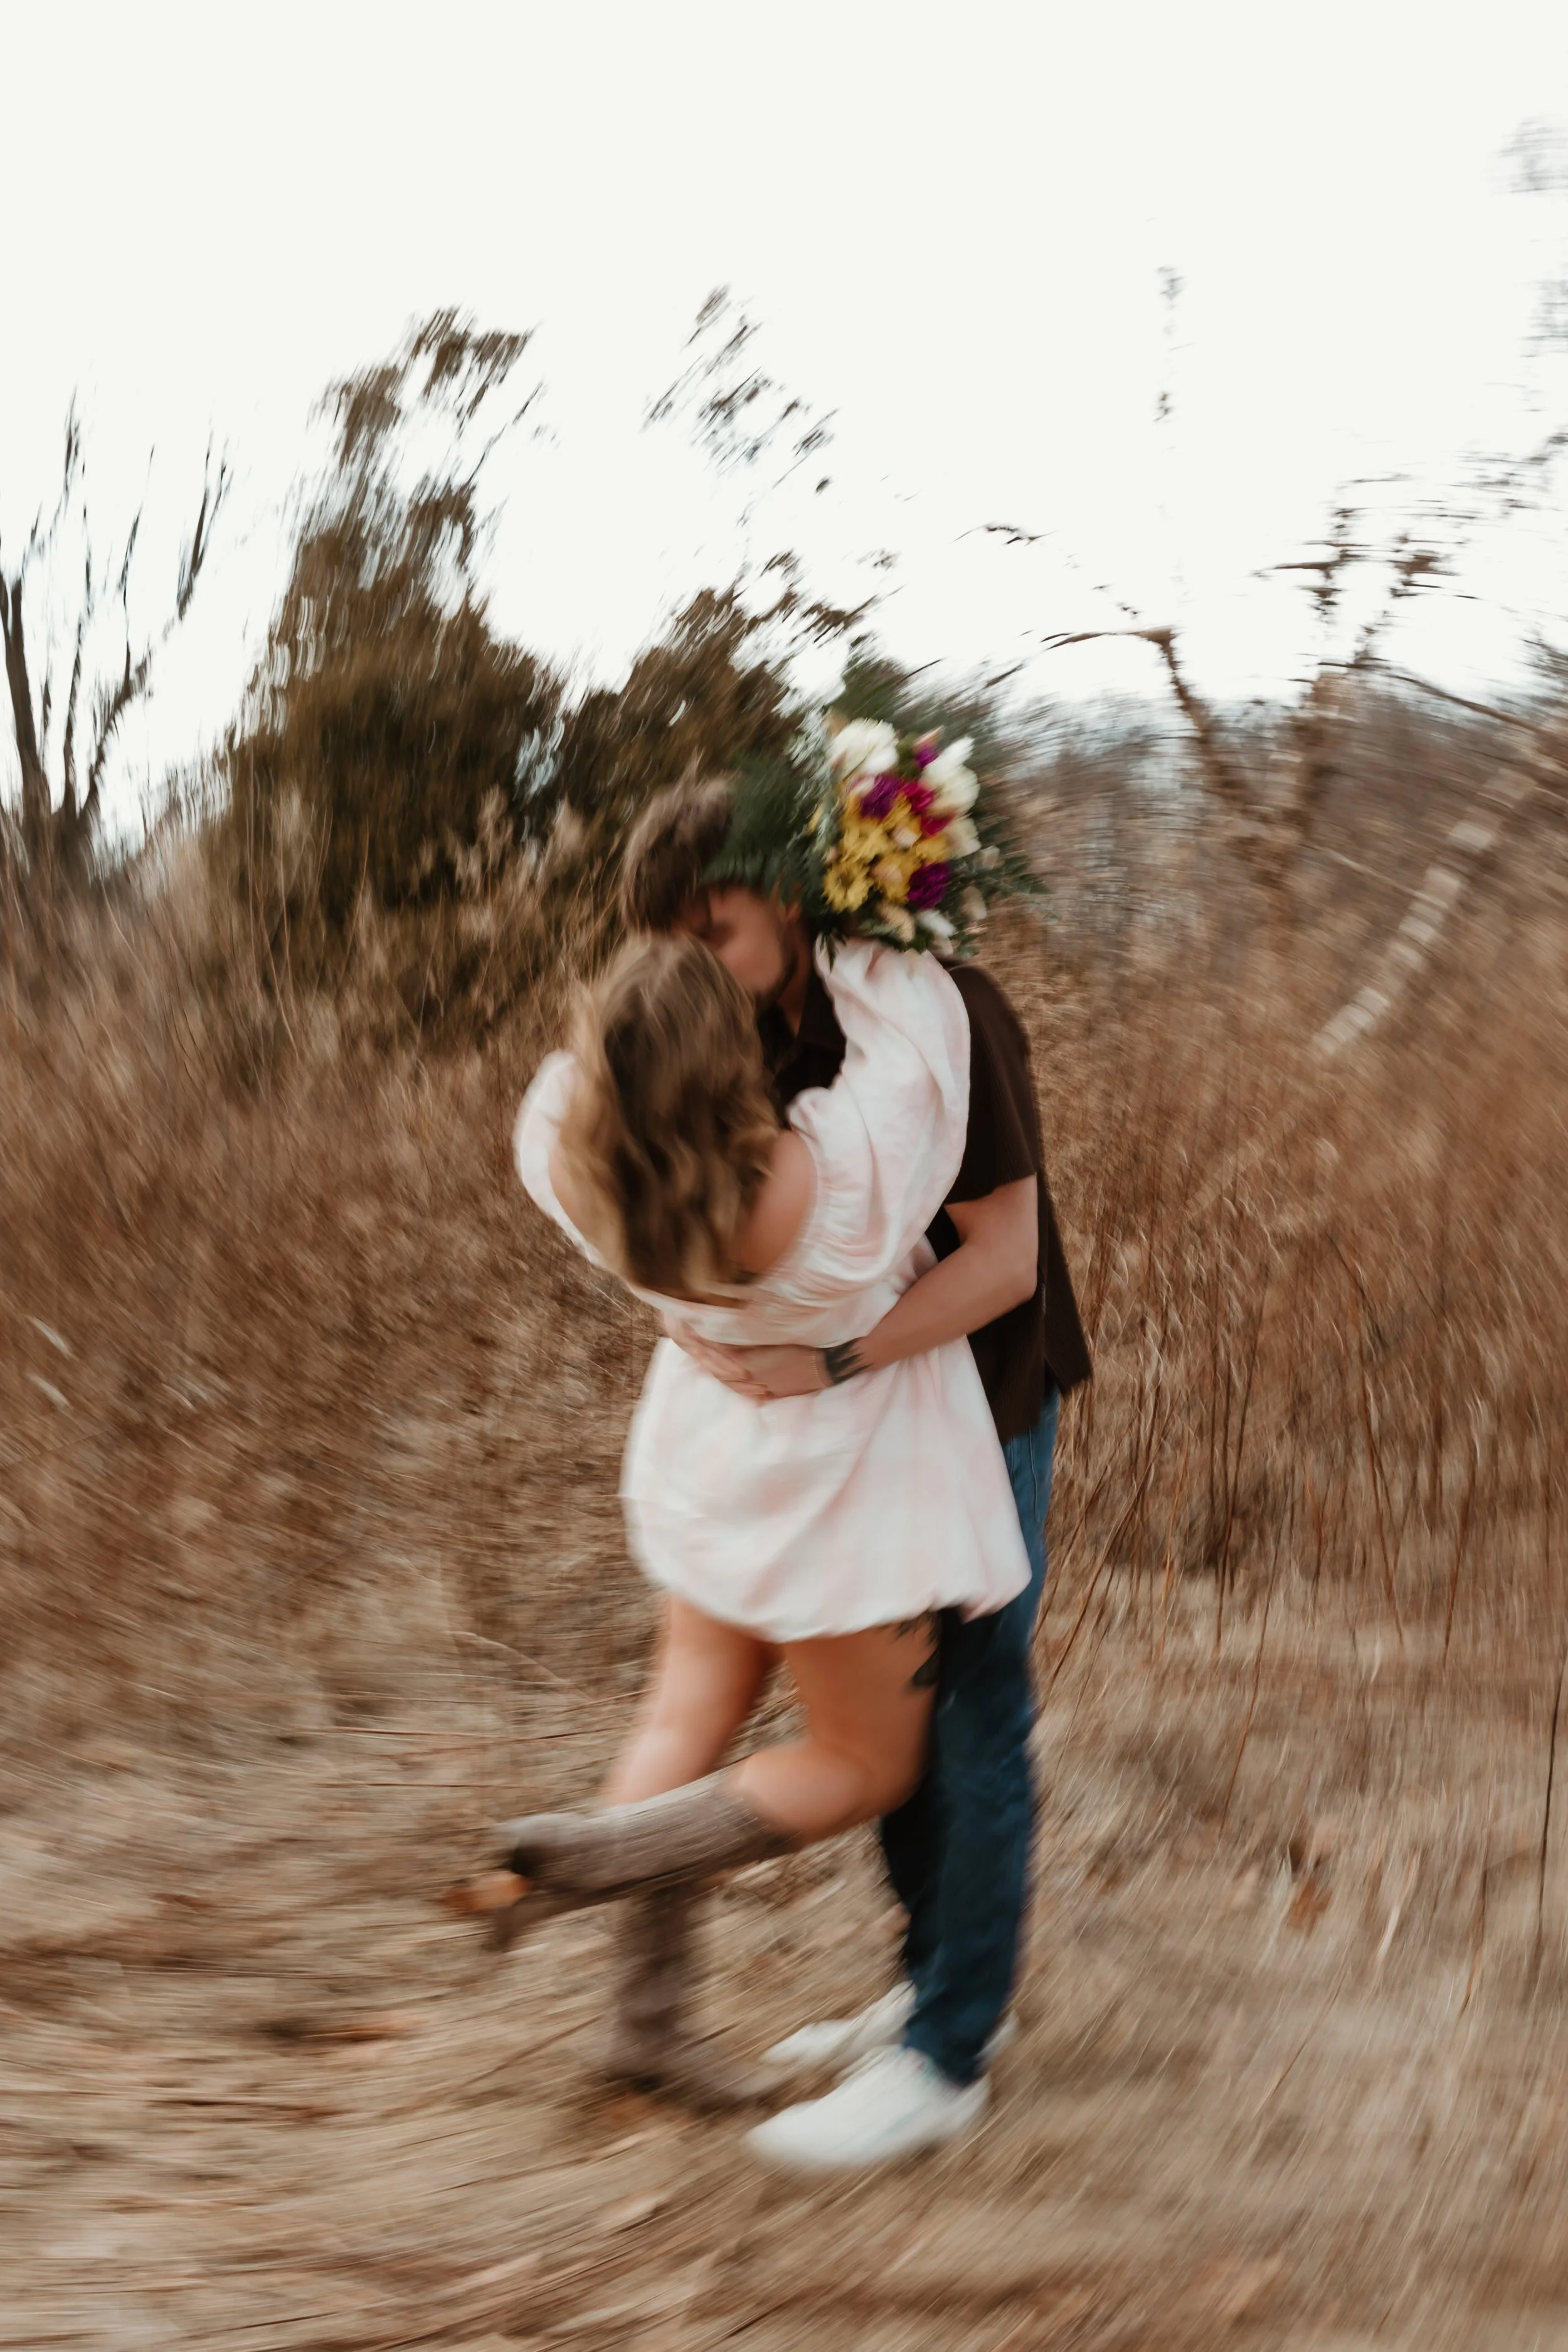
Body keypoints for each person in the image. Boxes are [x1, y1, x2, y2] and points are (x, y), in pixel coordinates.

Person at [616, 765, 1091, 2172]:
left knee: (975, 1704)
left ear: (786, 891)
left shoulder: (943, 1017)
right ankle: (924, 1990)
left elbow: (1001, 1266)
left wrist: (826, 1361)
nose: (689, 961)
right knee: (892, 1701)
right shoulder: (739, 1035)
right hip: (866, 1422)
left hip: (979, 1396)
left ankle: (946, 2059)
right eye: (669, 940)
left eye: (710, 925)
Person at [499, 922, 1032, 2144]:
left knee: (683, 1713)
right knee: (864, 1764)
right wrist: (855, 930)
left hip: (706, 1451)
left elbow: (563, 1089)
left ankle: (643, 2022)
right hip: (834, 1472)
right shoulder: (821, 1190)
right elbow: (915, 1059)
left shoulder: (568, 1163)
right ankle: (600, 1855)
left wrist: (637, 1011)